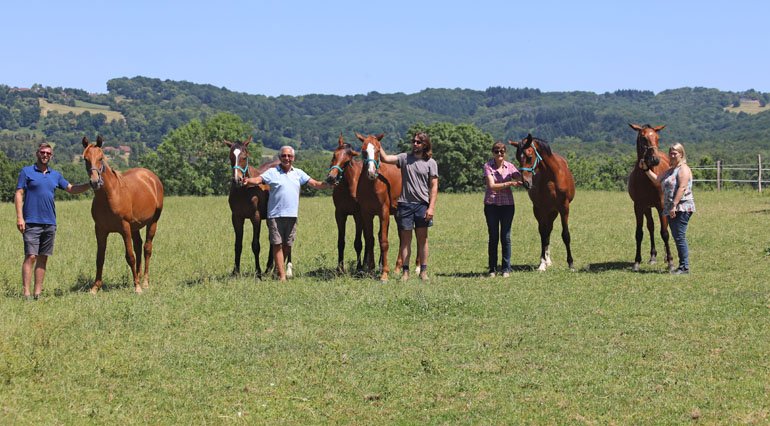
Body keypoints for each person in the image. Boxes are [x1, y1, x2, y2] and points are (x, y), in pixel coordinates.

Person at [15, 143, 90, 299]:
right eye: (42, 152)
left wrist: (90, 184)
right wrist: (20, 217)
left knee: (43, 258)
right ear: (37, 153)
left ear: (51, 156)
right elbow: (19, 193)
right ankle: (26, 293)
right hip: (31, 221)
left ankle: (37, 293)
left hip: (50, 223)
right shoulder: (26, 172)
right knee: (31, 256)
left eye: (48, 153)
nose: (45, 155)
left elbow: (72, 189)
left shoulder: (55, 175)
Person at [243, 146, 329, 281]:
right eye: (283, 156)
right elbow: (258, 180)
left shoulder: (299, 173)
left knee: (287, 245)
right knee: (277, 244)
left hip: (292, 215)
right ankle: (282, 276)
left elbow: (315, 184)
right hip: (275, 215)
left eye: (289, 156)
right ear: (279, 157)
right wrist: (247, 180)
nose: (286, 158)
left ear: (293, 158)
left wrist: (329, 184)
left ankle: (278, 270)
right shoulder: (272, 172)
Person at [379, 132, 439, 281]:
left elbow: (434, 186)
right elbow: (385, 158)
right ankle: (405, 272)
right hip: (405, 205)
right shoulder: (404, 158)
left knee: (422, 240)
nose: (415, 144)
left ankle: (423, 271)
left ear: (425, 144)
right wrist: (376, 143)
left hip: (422, 205)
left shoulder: (431, 163)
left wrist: (431, 207)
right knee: (405, 241)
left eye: (418, 142)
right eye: (414, 141)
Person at [640, 142, 696, 274]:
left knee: (679, 237)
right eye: (670, 153)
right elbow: (657, 180)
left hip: (682, 207)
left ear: (681, 154)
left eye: (675, 153)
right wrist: (646, 169)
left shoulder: (683, 169)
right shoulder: (670, 170)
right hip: (672, 208)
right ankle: (682, 266)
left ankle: (684, 267)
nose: (672, 155)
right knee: (677, 237)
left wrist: (674, 205)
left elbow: (682, 188)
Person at [483, 141, 523, 277]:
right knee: (493, 237)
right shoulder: (488, 166)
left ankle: (506, 268)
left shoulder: (510, 166)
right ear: (493, 153)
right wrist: (510, 183)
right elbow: (492, 186)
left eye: (502, 151)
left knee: (506, 237)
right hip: (491, 205)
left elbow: (521, 177)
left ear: (505, 153)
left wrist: (522, 173)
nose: (499, 153)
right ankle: (492, 269)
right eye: (496, 151)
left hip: (507, 206)